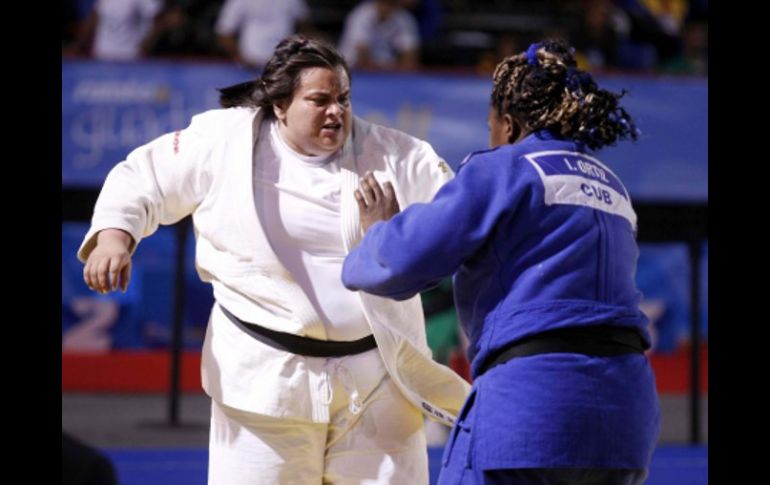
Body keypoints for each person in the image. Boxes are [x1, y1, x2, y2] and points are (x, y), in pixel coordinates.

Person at [78, 35, 469, 484]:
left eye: (343, 99)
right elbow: (142, 178)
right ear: (280, 105)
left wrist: (394, 234)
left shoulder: (396, 154)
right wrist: (114, 237)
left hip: (376, 379)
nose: (336, 111)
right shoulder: (224, 141)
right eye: (320, 100)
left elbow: (459, 224)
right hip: (263, 382)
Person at [342, 39, 660, 484]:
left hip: (534, 401)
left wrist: (378, 231)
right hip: (626, 413)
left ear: (508, 126)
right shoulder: (613, 187)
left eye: (490, 126)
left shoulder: (506, 167)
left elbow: (400, 262)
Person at [214, 0, 313, 68]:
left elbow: (305, 29)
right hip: (249, 67)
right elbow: (223, 34)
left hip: (282, 65)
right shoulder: (239, 1)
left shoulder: (292, 1)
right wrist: (240, 57)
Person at [338, 0, 420, 70]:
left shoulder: (404, 19)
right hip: (353, 68)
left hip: (388, 71)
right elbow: (362, 55)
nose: (385, 7)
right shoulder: (360, 15)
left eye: (390, 3)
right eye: (383, 2)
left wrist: (399, 70)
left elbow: (409, 55)